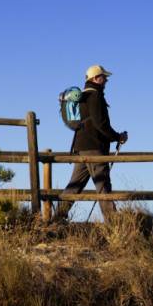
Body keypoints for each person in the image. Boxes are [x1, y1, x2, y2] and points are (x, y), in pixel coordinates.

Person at [55, 64, 128, 222]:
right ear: (96, 78)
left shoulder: (83, 96)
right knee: (103, 184)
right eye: (104, 77)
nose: (106, 80)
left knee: (75, 185)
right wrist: (117, 136)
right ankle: (113, 223)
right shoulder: (95, 96)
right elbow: (99, 123)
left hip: (81, 146)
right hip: (94, 146)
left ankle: (56, 219)